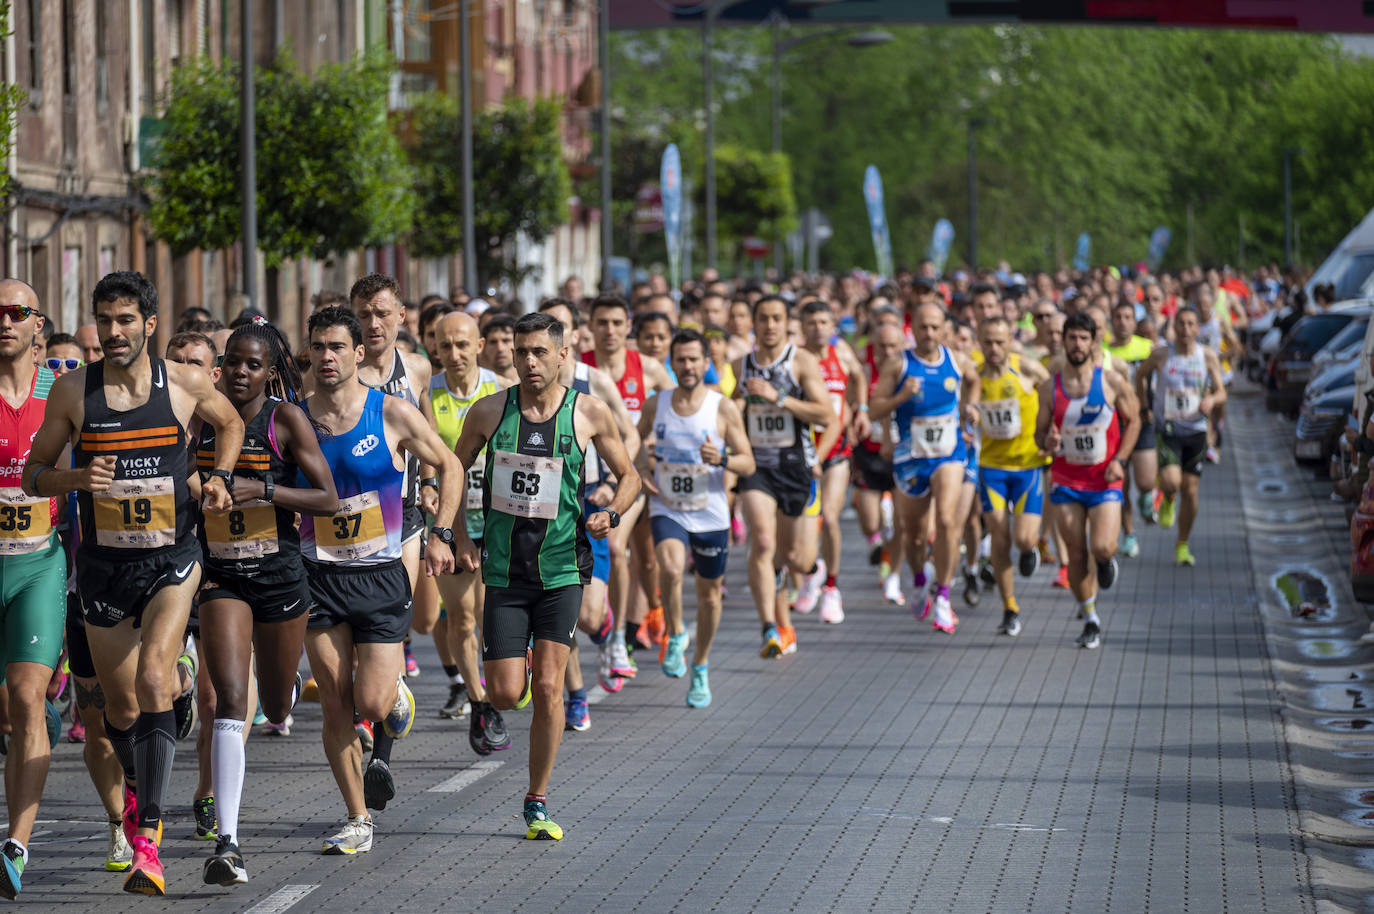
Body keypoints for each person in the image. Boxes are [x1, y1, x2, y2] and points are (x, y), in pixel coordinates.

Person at [24, 271, 244, 896]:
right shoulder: (72, 392)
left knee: (151, 676)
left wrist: (220, 476)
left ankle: (148, 839)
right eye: (105, 320)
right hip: (103, 566)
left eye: (126, 320)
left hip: (173, 558)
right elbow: (34, 474)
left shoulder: (183, 384)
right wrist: (75, 481)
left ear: (150, 324)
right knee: (119, 711)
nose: (115, 333)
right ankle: (156, 737)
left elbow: (228, 425)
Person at [449, 311, 640, 840]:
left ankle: (537, 799)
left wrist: (612, 513)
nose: (529, 361)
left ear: (562, 356)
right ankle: (522, 663)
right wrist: (458, 534)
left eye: (539, 352)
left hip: (562, 570)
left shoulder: (589, 413)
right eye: (521, 351)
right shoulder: (489, 412)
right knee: (508, 695)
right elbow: (450, 467)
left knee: (551, 688)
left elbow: (630, 476)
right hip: (505, 573)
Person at [297, 305, 460, 855]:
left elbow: (451, 465)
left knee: (370, 699)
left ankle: (393, 695)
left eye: (337, 347)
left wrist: (442, 535)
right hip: (316, 575)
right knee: (336, 702)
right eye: (317, 347)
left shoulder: (390, 412)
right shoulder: (292, 418)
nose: (326, 356)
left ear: (358, 353)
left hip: (380, 575)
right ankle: (357, 817)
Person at [193, 320, 340, 885]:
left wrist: (266, 490)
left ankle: (289, 685)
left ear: (270, 371)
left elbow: (326, 497)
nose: (240, 372)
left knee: (274, 707)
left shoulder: (285, 419)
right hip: (223, 576)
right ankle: (228, 843)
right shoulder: (200, 419)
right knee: (231, 700)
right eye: (233, 361)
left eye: (253, 364)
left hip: (279, 576)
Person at [637, 329, 754, 707]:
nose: (687, 366)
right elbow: (633, 441)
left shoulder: (723, 407)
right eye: (680, 359)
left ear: (707, 363)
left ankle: (700, 665)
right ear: (672, 362)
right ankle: (675, 635)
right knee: (669, 568)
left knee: (709, 596)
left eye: (694, 359)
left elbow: (748, 461)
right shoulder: (657, 404)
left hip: (711, 513)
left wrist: (721, 459)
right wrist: (642, 467)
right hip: (668, 506)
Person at [0, 281, 66, 899]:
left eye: (16, 312)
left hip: (39, 565)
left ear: (37, 324)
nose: (4, 321)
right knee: (9, 707)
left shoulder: (63, 391)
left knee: (25, 698)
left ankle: (15, 842)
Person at [424, 311, 513, 753]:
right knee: (459, 617)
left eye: (463, 345)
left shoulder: (501, 389)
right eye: (445, 346)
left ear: (479, 345)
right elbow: (430, 460)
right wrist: (448, 524)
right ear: (435, 349)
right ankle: (480, 704)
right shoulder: (429, 393)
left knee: (491, 615)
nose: (455, 354)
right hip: (450, 517)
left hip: (499, 520)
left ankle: (510, 677)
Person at [732, 296, 834, 657]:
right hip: (758, 468)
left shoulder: (801, 362)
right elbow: (727, 414)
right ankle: (769, 626)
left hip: (796, 467)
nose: (770, 325)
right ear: (753, 324)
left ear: (786, 322)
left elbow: (825, 415)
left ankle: (811, 571)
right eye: (763, 318)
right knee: (762, 543)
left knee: (795, 558)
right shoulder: (739, 366)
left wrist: (780, 398)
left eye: (777, 318)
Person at [870, 302, 981, 634]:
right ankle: (920, 580)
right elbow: (875, 408)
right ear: (912, 329)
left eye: (935, 327)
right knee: (915, 536)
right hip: (911, 455)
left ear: (943, 329)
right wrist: (901, 396)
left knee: (947, 519)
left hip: (949, 452)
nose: (929, 334)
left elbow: (973, 380)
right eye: (923, 327)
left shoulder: (957, 361)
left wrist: (970, 407)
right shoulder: (898, 364)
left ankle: (944, 596)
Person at [347, 274, 437, 679]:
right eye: (364, 315)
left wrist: (430, 483)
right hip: (352, 509)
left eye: (382, 313)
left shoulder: (416, 367)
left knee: (403, 613)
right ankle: (370, 706)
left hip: (405, 509)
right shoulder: (338, 372)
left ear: (401, 315)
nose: (374, 324)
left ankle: (387, 690)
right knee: (358, 625)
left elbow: (428, 434)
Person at [1035, 311, 1139, 650]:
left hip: (1104, 478)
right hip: (1066, 480)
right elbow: (1040, 433)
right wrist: (1046, 442)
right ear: (1063, 341)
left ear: (1094, 342)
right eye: (1071, 338)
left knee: (1102, 547)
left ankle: (1108, 560)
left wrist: (1120, 460)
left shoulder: (1110, 381)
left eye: (1083, 338)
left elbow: (1134, 420)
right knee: (1076, 553)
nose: (1077, 344)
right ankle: (1090, 617)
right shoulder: (1050, 387)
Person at [582, 297, 672, 669]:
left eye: (617, 323)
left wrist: (649, 441)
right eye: (602, 323)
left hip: (636, 476)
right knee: (619, 550)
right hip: (591, 479)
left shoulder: (647, 368)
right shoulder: (580, 369)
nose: (610, 331)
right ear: (591, 325)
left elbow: (679, 408)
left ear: (627, 326)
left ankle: (636, 623)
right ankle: (616, 635)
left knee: (646, 561)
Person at [1134, 307, 1226, 567]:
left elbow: (1221, 392)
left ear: (1197, 329)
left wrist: (1211, 399)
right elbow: (1140, 375)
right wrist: (1144, 405)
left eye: (1190, 324)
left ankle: (1182, 544)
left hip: (1196, 431)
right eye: (1181, 324)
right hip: (1169, 429)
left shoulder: (1206, 356)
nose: (1185, 330)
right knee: (1173, 481)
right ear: (1173, 327)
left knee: (1191, 489)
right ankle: (1168, 498)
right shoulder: (1162, 355)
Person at [975, 316, 1050, 637]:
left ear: (1010, 342)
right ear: (980, 342)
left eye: (1000, 342)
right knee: (999, 535)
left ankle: (1031, 548)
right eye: (988, 342)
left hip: (1027, 466)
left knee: (1022, 538)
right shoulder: (974, 376)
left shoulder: (1027, 369)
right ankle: (1010, 607)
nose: (994, 348)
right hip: (991, 468)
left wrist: (1051, 430)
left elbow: (1053, 395)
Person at [797, 301, 867, 622]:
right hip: (800, 451)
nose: (818, 328)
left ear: (832, 325)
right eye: (811, 322)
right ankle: (811, 570)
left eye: (824, 321)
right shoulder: (797, 359)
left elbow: (859, 377)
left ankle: (832, 589)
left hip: (837, 448)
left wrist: (860, 409)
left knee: (831, 515)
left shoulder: (842, 354)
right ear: (802, 326)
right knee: (798, 531)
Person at [1105, 300, 1159, 557]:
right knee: (1121, 483)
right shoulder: (1104, 352)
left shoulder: (1148, 348)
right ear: (1111, 321)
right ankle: (1129, 533)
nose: (1122, 321)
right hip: (1115, 424)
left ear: (1134, 322)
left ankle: (1147, 496)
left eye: (1128, 317)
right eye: (1118, 317)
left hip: (1143, 419)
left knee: (1146, 481)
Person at [480, 313, 518, 384]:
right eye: (493, 342)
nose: (500, 348)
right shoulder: (475, 386)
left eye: (506, 340)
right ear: (483, 346)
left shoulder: (532, 382)